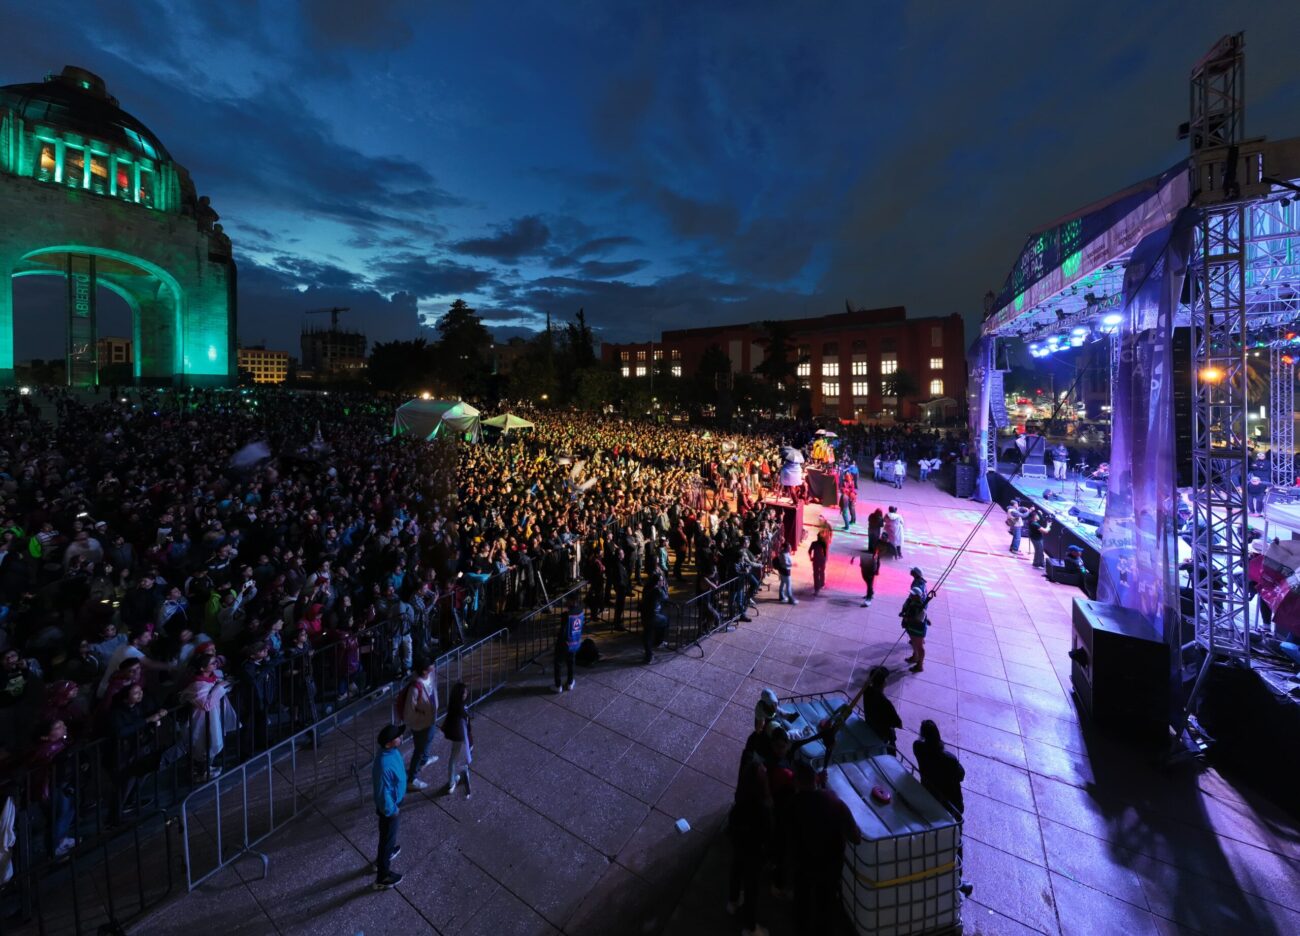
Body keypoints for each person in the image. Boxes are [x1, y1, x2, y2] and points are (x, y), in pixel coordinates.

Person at [787, 760, 861, 936]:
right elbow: (855, 837)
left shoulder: (793, 805)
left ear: (797, 782)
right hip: (830, 868)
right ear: (815, 779)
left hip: (804, 866)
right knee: (826, 907)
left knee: (802, 903)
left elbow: (788, 837)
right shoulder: (834, 801)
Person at [913, 719, 973, 897]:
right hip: (950, 805)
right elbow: (961, 775)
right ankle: (957, 880)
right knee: (955, 842)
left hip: (930, 799)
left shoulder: (918, 748)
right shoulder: (948, 759)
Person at [372, 723, 406, 890]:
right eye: (397, 737)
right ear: (389, 743)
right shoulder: (384, 765)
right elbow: (382, 793)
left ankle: (383, 857)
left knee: (386, 838)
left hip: (392, 803)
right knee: (387, 838)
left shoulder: (391, 752)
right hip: (389, 809)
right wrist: (392, 810)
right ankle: (382, 876)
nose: (400, 738)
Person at [401, 657, 439, 791]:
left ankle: (425, 760)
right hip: (422, 724)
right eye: (430, 666)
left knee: (429, 739)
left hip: (430, 720)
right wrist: (424, 717)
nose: (434, 666)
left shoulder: (431, 675)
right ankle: (412, 778)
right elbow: (409, 713)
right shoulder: (415, 688)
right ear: (424, 671)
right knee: (419, 750)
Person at [860, 666, 901, 753]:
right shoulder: (885, 703)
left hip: (869, 723)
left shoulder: (867, 690)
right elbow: (898, 723)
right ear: (884, 682)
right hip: (880, 732)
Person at [442, 681, 473, 797]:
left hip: (456, 734)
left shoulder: (454, 704)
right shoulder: (459, 708)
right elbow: (465, 719)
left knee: (454, 756)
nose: (466, 693)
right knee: (454, 757)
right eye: (464, 692)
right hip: (458, 735)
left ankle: (452, 778)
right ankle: (451, 781)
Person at [900, 568, 930, 673]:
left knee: (919, 646)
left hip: (917, 629)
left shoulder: (920, 607)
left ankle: (919, 665)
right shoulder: (914, 602)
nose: (911, 595)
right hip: (912, 628)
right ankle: (915, 656)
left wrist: (908, 618)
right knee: (914, 643)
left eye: (913, 594)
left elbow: (919, 619)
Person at [554, 599, 583, 693]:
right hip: (575, 641)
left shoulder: (567, 615)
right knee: (571, 662)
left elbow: (563, 631)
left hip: (564, 643)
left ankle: (558, 685)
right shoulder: (581, 612)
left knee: (558, 663)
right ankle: (570, 682)